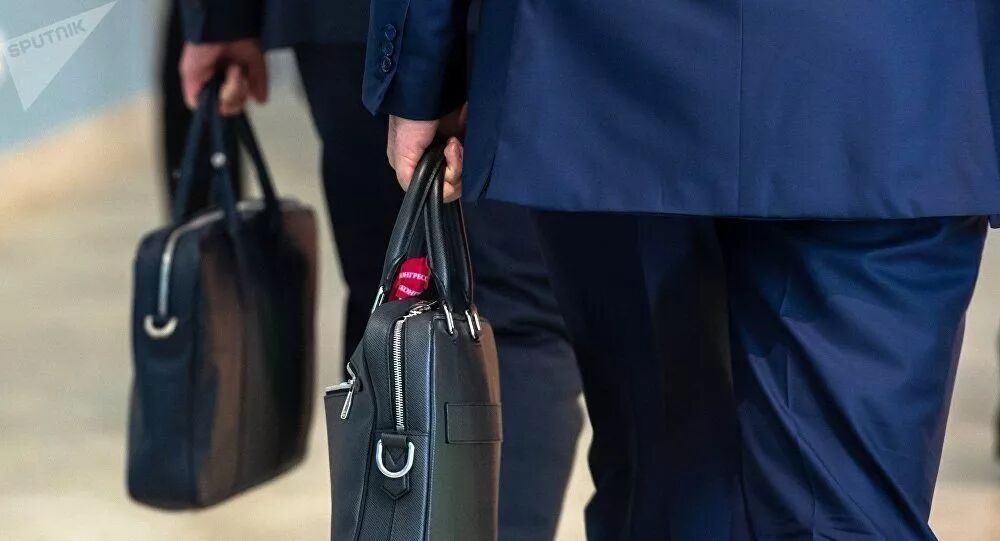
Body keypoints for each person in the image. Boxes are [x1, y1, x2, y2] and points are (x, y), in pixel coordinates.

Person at [367, 1, 1000, 539]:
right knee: (851, 508)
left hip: (610, 70)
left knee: (664, 479)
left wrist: (422, 74)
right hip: (901, 76)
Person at [169, 0, 586, 538]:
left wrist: (218, 19)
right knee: (516, 316)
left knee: (388, 307)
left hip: (348, 21)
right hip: (522, 24)